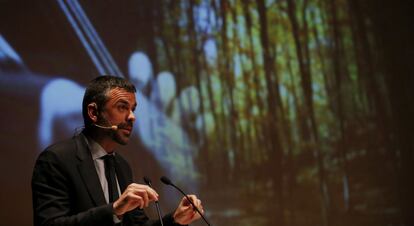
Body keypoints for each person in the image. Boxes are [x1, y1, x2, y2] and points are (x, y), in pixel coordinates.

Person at [31, 75, 203, 226]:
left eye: (133, 109)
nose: (132, 117)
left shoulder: (122, 165)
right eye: (122, 107)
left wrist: (175, 219)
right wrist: (114, 210)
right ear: (93, 112)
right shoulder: (55, 160)